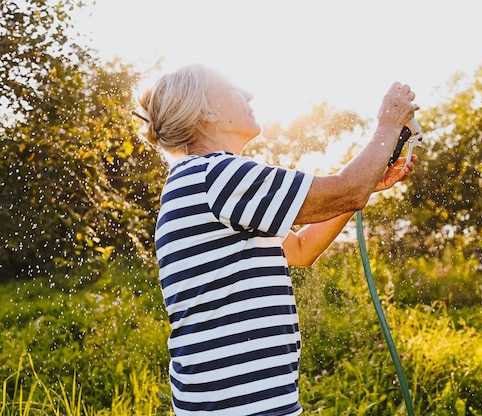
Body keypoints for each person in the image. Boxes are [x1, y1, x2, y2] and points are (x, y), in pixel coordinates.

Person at [135, 64, 418, 416]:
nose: (249, 95)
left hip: (237, 400)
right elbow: (346, 189)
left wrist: (361, 190)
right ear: (206, 111)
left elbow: (301, 249)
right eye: (234, 88)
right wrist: (388, 124)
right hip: (242, 404)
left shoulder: (200, 183)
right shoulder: (216, 175)